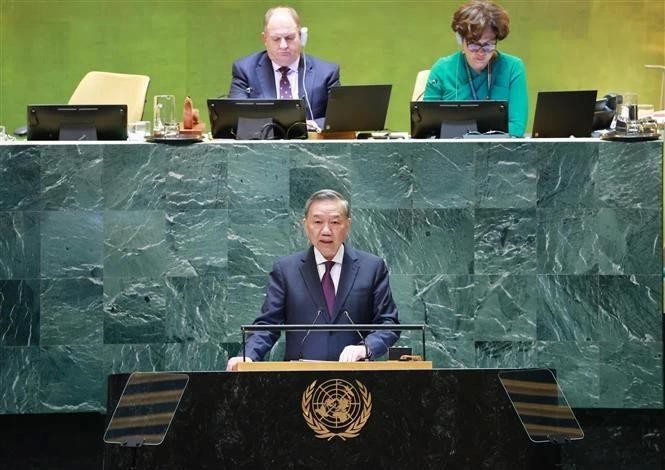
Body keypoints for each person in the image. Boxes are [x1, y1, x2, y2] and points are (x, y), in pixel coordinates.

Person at [226, 189, 400, 371]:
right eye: (317, 222)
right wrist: (248, 356)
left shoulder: (372, 267)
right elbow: (268, 325)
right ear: (305, 225)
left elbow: (388, 324)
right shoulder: (286, 270)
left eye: (335, 222)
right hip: (299, 382)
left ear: (347, 225)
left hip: (357, 380)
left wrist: (365, 348)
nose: (326, 230)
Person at [423, 0, 528, 137]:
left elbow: (517, 127)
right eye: (473, 45)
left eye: (488, 45)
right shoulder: (442, 68)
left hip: (500, 152)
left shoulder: (513, 67)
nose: (480, 52)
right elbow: (427, 128)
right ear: (460, 40)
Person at [227, 6, 340, 126]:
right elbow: (237, 119)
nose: (283, 45)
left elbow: (338, 118)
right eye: (276, 39)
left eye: (289, 38)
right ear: (264, 39)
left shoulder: (327, 73)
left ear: (301, 37)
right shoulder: (245, 71)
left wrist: (309, 126)